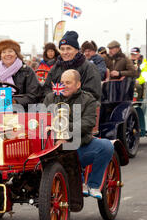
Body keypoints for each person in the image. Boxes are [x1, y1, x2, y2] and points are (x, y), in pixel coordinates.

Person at [44, 69, 114, 200]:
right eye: (62, 82)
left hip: (80, 144)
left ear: (78, 85)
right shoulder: (50, 98)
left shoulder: (88, 99)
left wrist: (65, 134)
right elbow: (44, 121)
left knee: (107, 146)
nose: (64, 85)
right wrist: (57, 137)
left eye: (68, 82)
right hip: (53, 148)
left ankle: (93, 185)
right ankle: (77, 182)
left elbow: (87, 124)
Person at [43, 31, 102, 102]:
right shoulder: (56, 68)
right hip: (58, 108)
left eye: (68, 48)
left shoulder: (89, 68)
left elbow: (92, 94)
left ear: (76, 50)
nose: (65, 52)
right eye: (62, 49)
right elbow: (47, 89)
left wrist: (67, 103)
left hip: (82, 109)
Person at [0, 39, 42, 108]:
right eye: (4, 52)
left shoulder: (27, 71)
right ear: (1, 55)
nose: (7, 54)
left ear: (16, 54)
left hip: (22, 111)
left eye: (10, 51)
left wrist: (15, 102)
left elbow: (34, 95)